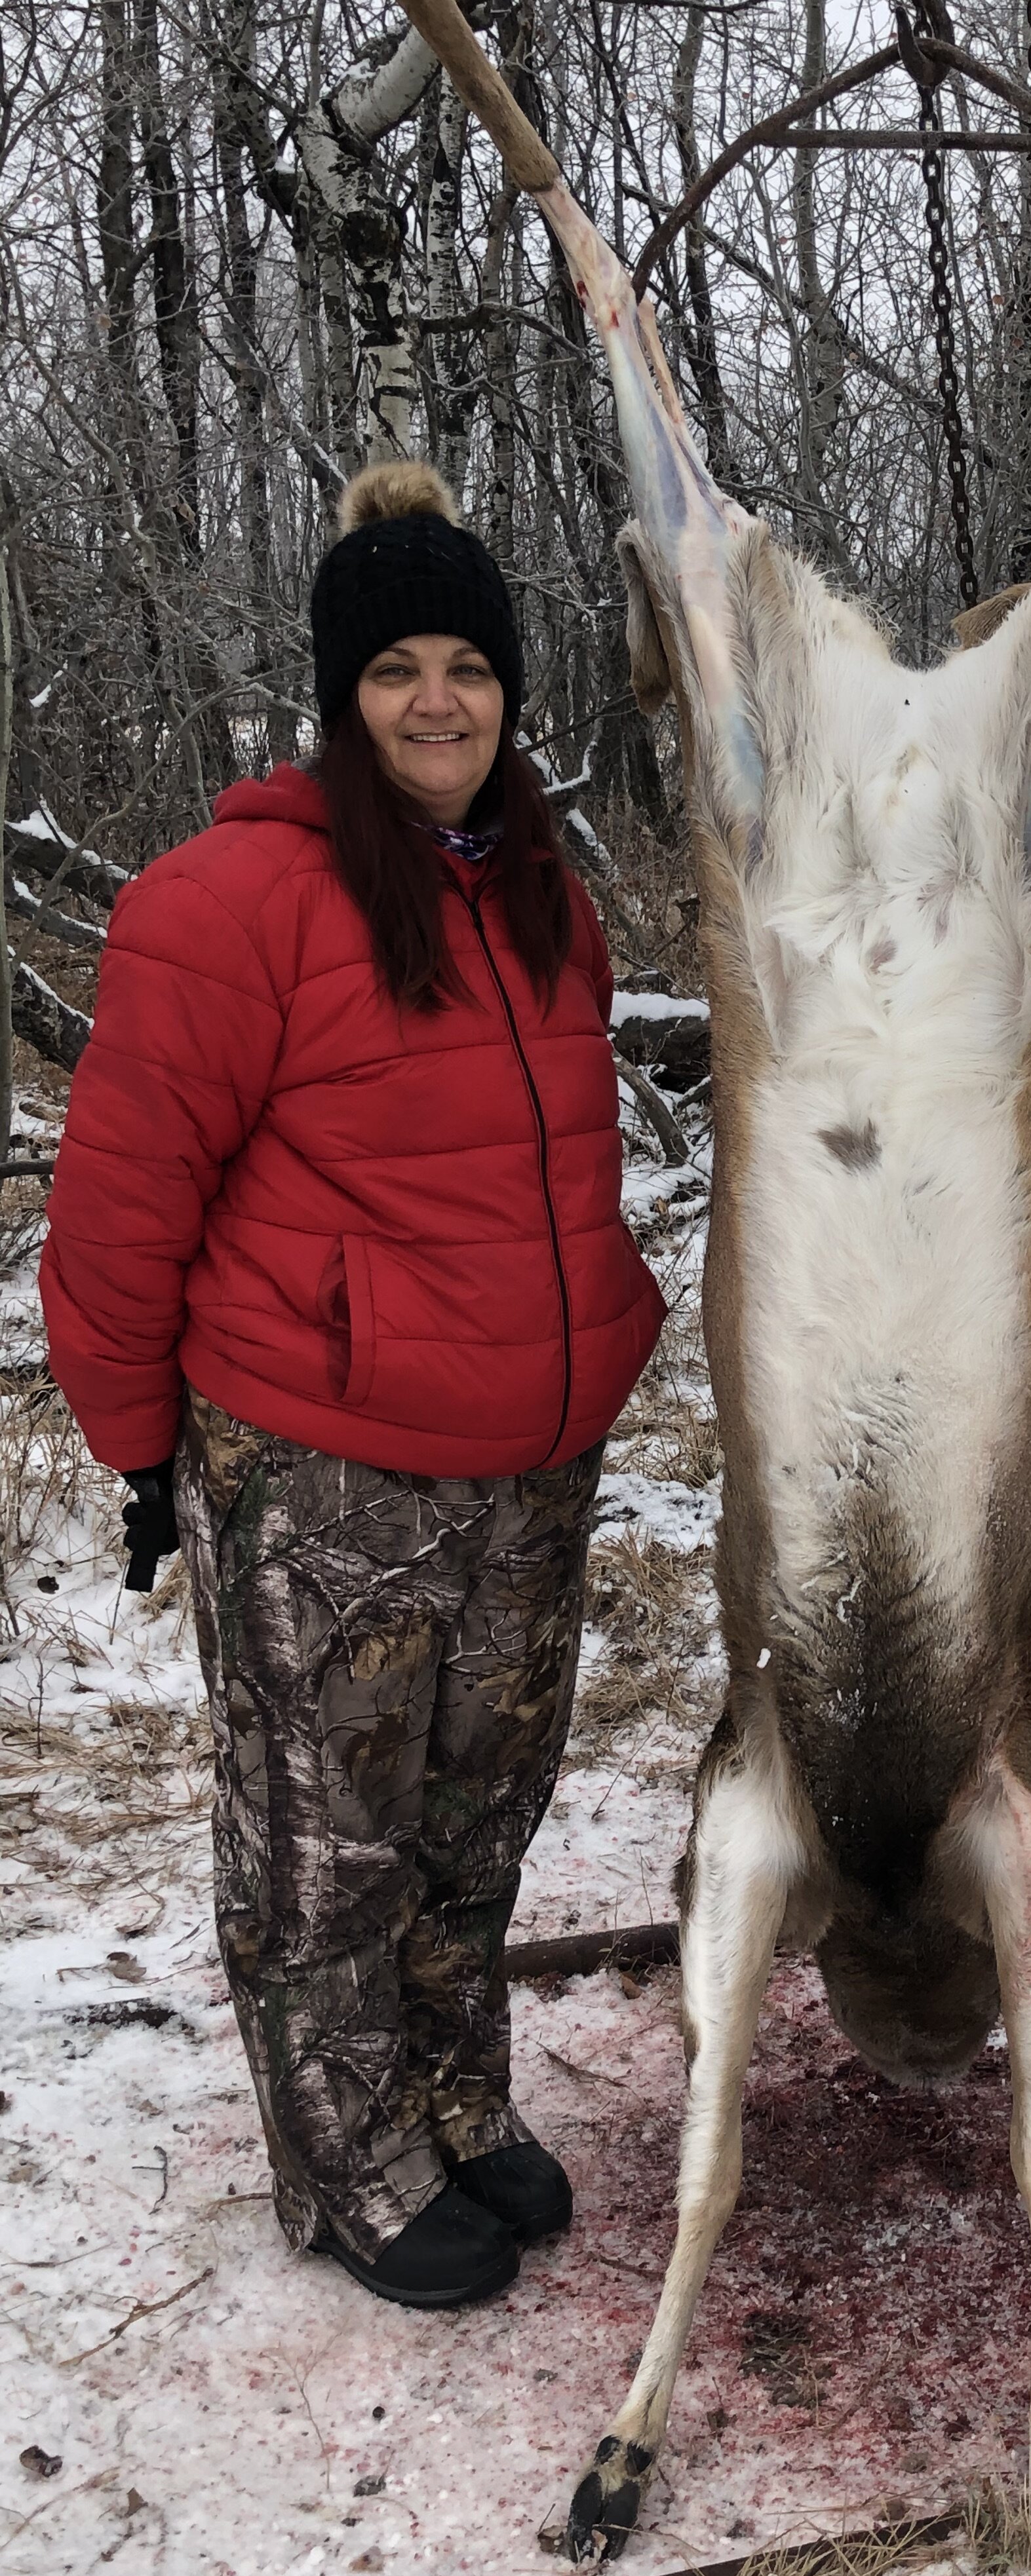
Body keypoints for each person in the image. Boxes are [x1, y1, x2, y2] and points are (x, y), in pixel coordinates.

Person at [43, 462, 664, 2309]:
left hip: (529, 1462)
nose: (437, 701)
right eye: (394, 666)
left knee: (483, 1816)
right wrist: (145, 1453)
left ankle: (454, 2092)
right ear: (340, 696)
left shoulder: (543, 894)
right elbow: (120, 1207)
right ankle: (350, 2157)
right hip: (324, 1473)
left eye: (467, 663)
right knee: (331, 1841)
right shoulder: (227, 902)